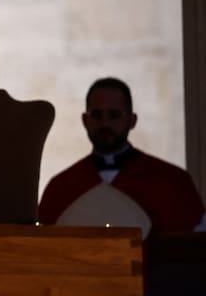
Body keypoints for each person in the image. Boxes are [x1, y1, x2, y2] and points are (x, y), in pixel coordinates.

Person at [39, 77, 205, 234]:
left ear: (132, 120)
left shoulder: (172, 181)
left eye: (114, 115)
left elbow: (192, 250)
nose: (105, 123)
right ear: (85, 120)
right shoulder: (60, 187)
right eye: (97, 115)